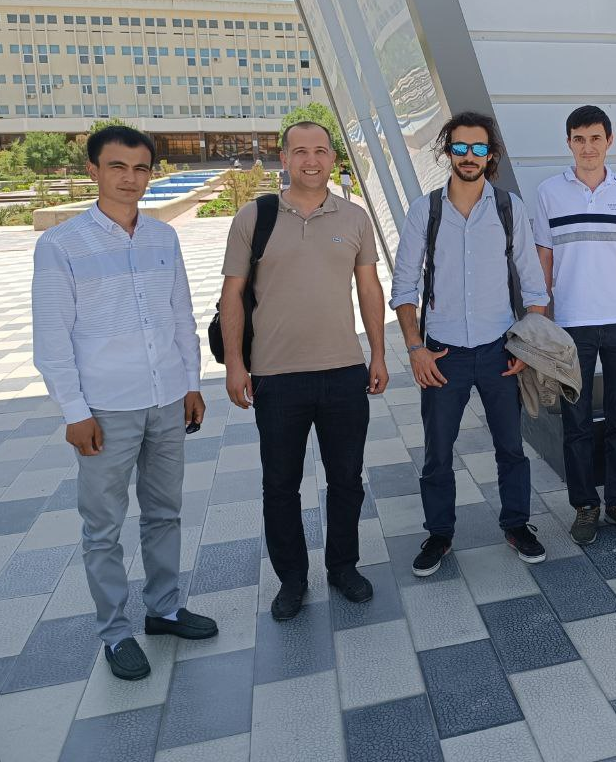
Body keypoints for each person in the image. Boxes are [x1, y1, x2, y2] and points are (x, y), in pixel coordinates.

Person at [32, 124, 218, 682]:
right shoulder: (61, 246)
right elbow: (52, 338)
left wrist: (192, 383)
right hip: (105, 409)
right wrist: (74, 412)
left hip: (167, 399)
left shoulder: (163, 238)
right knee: (103, 527)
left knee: (164, 513)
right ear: (93, 170)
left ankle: (164, 609)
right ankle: (115, 633)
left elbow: (181, 316)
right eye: (117, 166)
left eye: (140, 169)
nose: (129, 178)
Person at [220, 120, 389, 620]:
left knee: (347, 480)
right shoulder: (254, 217)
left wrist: (379, 354)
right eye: (300, 151)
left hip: (344, 372)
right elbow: (232, 295)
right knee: (280, 485)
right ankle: (291, 579)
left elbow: (369, 289)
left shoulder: (355, 218)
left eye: (320, 151)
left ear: (333, 158)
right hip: (276, 377)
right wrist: (235, 365)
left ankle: (343, 566)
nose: (310, 160)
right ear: (284, 158)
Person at [391, 111, 550, 576]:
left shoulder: (508, 208)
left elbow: (534, 285)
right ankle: (439, 534)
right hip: (442, 355)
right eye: (459, 147)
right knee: (438, 453)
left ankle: (517, 524)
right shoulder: (425, 211)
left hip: (500, 350)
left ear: (490, 155)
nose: (468, 156)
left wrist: (527, 346)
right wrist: (415, 348)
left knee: (511, 448)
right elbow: (403, 287)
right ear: (447, 152)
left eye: (478, 148)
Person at [534, 105, 616, 545]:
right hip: (570, 325)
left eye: (596, 138)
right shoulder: (549, 192)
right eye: (579, 139)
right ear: (569, 142)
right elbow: (544, 259)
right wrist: (540, 323)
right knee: (576, 421)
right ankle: (585, 506)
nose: (588, 147)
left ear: (610, 141)